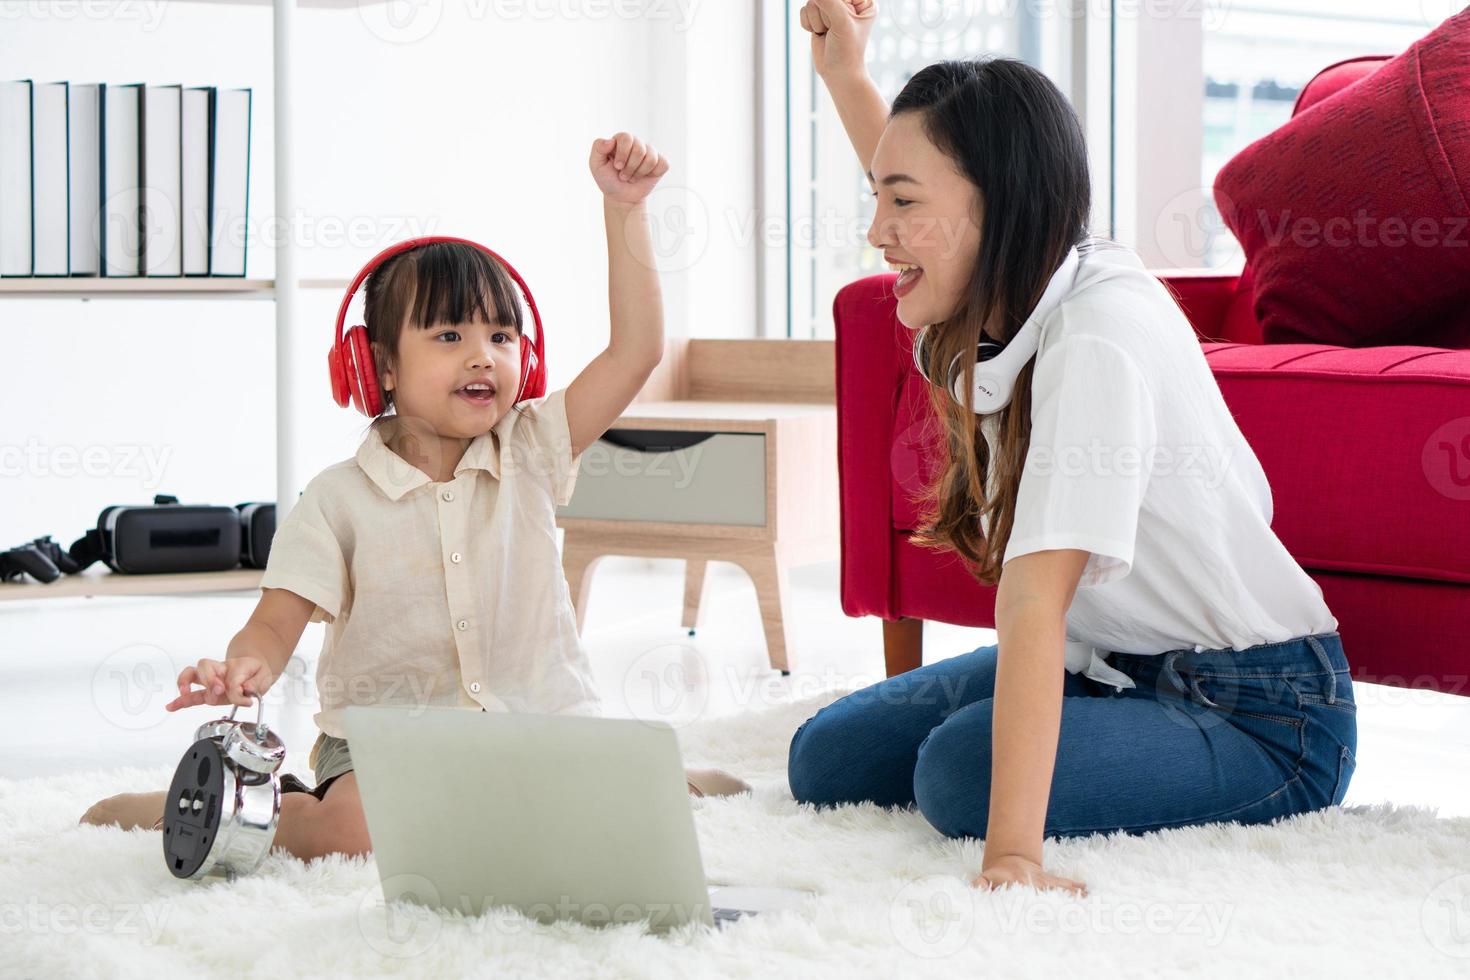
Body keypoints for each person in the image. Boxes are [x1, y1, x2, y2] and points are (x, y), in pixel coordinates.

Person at [788, 0, 1356, 896]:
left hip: (1263, 714)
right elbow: (936, 187)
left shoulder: (1095, 336)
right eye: (879, 199)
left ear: (1000, 208)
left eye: (900, 205)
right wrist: (845, 76)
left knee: (954, 776)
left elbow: (1031, 601)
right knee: (825, 760)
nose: (877, 231)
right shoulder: (1015, 284)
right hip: (1111, 668)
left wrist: (1013, 857)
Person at [81, 132, 750, 860]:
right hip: (384, 746)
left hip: (537, 723)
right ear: (378, 367)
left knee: (623, 811)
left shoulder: (533, 447)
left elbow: (636, 351)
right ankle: (213, 805)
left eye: (502, 335)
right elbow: (275, 625)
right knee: (364, 836)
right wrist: (244, 666)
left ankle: (668, 777)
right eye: (450, 333)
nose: (482, 355)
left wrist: (625, 210)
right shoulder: (337, 499)